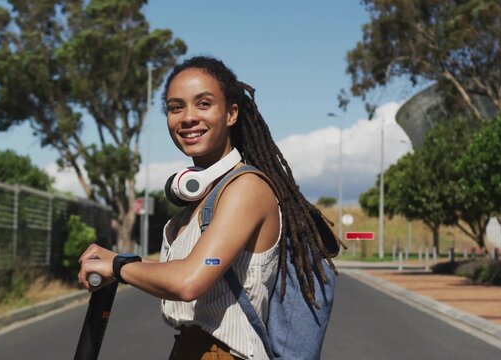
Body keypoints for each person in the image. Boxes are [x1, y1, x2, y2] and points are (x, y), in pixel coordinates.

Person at [79, 56, 341, 359]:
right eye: (176, 107)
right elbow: (192, 267)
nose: (188, 117)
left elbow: (191, 280)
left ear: (231, 114)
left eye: (203, 104)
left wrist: (118, 268)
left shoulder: (246, 188)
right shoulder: (199, 203)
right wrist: (119, 259)